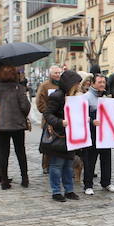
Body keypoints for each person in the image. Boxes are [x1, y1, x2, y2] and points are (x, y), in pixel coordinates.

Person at [42, 70, 83, 201]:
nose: (78, 86)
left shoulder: (74, 96)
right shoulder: (57, 96)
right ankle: (56, 192)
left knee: (68, 164)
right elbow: (47, 114)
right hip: (59, 136)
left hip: (70, 136)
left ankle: (69, 190)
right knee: (56, 165)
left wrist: (84, 118)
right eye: (76, 83)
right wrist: (60, 122)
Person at [0, 63, 31, 188]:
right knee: (20, 152)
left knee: (3, 153)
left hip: (1, 125)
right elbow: (25, 107)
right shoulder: (19, 88)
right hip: (17, 125)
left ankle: (4, 181)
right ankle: (24, 179)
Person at [83, 73, 114, 194]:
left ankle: (106, 182)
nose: (102, 84)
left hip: (105, 133)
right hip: (92, 133)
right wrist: (92, 121)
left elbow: (112, 113)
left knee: (106, 158)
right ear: (93, 83)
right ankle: (88, 185)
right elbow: (82, 115)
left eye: (104, 82)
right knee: (90, 160)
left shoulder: (107, 96)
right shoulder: (86, 97)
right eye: (100, 82)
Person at [35, 65, 63, 174]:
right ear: (50, 74)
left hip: (60, 120)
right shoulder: (45, 86)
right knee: (48, 143)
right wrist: (48, 113)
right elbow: (40, 102)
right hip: (48, 119)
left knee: (59, 143)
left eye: (59, 73)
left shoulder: (62, 85)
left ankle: (58, 164)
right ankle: (46, 165)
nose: (57, 75)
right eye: (55, 73)